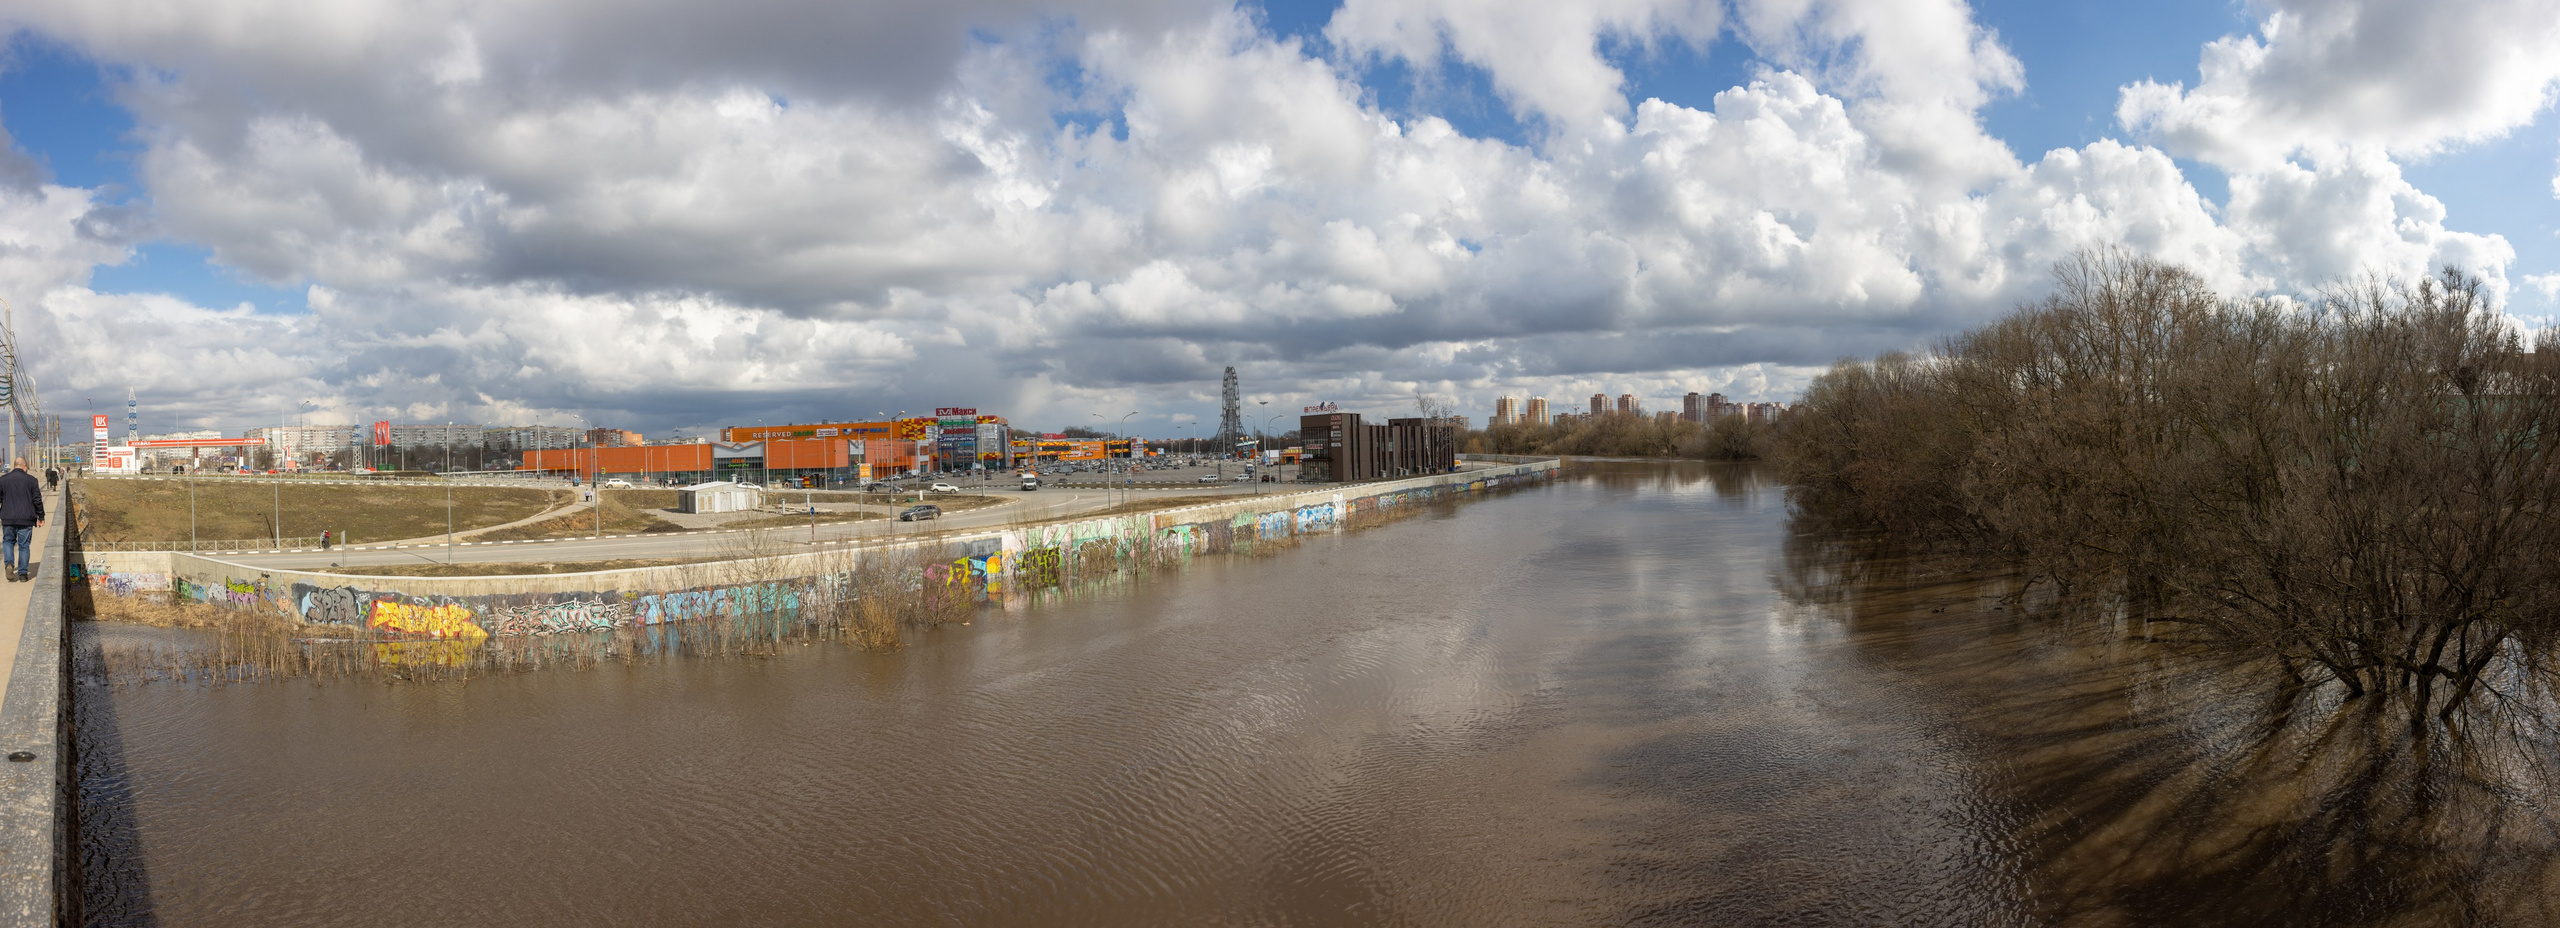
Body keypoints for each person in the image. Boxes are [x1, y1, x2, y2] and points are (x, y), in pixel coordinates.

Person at [0, 458, 43, 582]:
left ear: (14, 466)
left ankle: (9, 563)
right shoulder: (32, 480)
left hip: (8, 518)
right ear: (25, 467)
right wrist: (41, 517)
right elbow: (37, 500)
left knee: (8, 541)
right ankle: (23, 574)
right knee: (24, 546)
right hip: (26, 518)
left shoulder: (3, 480)